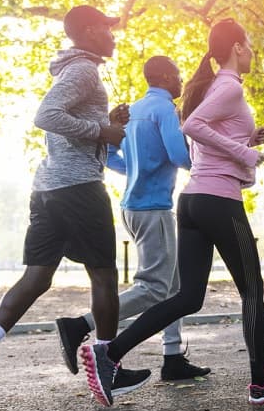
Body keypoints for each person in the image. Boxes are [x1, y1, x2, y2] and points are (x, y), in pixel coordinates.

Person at [79, 18, 264, 407]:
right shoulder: (229, 86)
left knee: (188, 297)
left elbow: (202, 140)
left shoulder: (215, 87)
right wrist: (245, 153)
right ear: (235, 47)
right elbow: (193, 126)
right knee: (252, 290)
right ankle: (262, 382)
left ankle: (109, 353)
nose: (251, 52)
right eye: (248, 44)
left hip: (193, 201)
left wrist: (245, 139)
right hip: (218, 201)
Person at [0, 5, 128, 411]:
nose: (114, 36)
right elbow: (45, 116)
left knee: (37, 278)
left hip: (49, 189)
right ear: (91, 30)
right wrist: (102, 130)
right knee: (105, 277)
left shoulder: (71, 70)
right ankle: (107, 361)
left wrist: (105, 124)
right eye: (109, 30)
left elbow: (69, 125)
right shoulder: (83, 71)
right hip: (78, 189)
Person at [54, 56, 210, 386]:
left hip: (132, 207)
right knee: (154, 289)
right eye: (178, 75)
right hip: (153, 208)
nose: (181, 81)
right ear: (166, 77)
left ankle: (172, 358)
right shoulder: (165, 109)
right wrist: (212, 157)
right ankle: (79, 325)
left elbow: (115, 159)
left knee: (175, 287)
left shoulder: (136, 110)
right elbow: (180, 156)